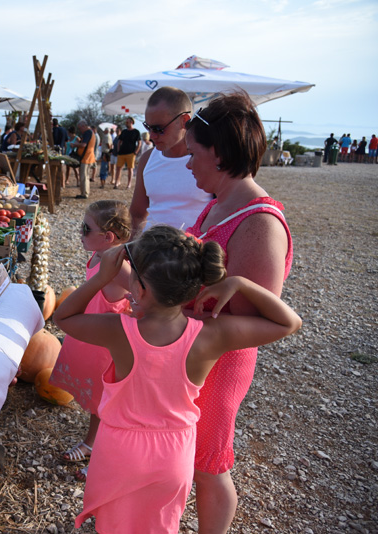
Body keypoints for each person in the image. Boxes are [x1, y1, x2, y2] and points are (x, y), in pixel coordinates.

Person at [54, 225, 301, 534]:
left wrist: (103, 277)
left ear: (140, 290)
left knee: (115, 525)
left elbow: (63, 317)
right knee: (159, 525)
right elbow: (290, 323)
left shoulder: (119, 329)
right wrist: (239, 284)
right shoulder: (211, 335)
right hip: (174, 452)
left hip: (119, 448)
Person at [184, 92, 295, 532]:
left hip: (222, 360)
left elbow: (269, 322)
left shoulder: (260, 222)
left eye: (193, 153)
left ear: (219, 152)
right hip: (198, 350)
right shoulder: (218, 202)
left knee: (209, 463)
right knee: (188, 453)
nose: (188, 164)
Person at [49, 200, 133, 482]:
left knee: (108, 404)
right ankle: (92, 442)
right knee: (98, 400)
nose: (80, 232)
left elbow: (143, 289)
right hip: (90, 334)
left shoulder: (119, 264)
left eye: (85, 228)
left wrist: (135, 304)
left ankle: (103, 459)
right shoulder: (100, 254)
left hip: (105, 343)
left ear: (108, 237)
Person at [130, 87, 213, 236]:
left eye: (158, 128)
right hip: (151, 253)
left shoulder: (209, 158)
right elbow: (136, 215)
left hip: (197, 253)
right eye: (148, 127)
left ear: (184, 121)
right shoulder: (147, 159)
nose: (152, 135)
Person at [112, 117, 141, 189]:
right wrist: (118, 150)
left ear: (131, 122)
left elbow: (139, 142)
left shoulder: (136, 132)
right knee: (118, 168)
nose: (126, 123)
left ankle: (129, 184)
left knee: (130, 169)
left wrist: (136, 152)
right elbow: (119, 141)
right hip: (122, 153)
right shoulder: (124, 131)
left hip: (131, 153)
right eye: (126, 122)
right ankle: (117, 182)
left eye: (127, 122)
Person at [75, 120, 96, 199]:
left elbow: (84, 145)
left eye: (80, 128)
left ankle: (84, 194)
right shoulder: (90, 132)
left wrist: (75, 145)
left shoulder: (87, 132)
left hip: (86, 157)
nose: (80, 130)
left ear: (84, 126)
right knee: (85, 176)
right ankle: (84, 192)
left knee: (84, 176)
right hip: (88, 157)